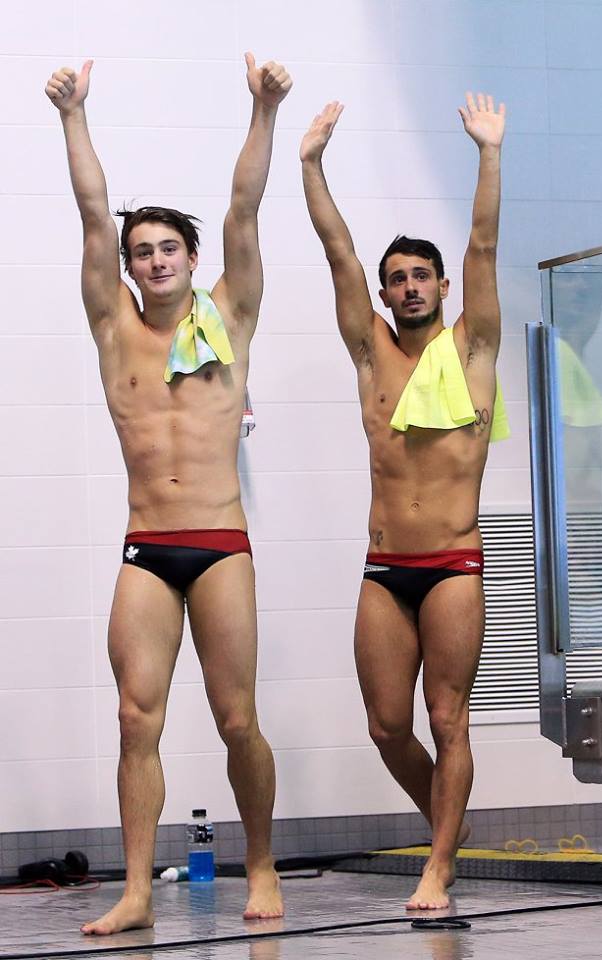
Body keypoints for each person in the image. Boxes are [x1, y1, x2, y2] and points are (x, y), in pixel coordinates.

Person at [45, 53, 292, 934]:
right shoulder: (113, 326)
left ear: (191, 257)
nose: (152, 261)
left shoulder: (231, 313)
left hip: (221, 545)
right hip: (148, 548)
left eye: (166, 248)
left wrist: (263, 110)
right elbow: (87, 211)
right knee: (132, 716)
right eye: (140, 251)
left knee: (236, 719)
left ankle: (260, 864)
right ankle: (140, 890)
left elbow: (246, 209)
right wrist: (74, 116)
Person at [300, 93, 507, 910]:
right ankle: (447, 827)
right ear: (385, 296)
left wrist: (489, 152)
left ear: (443, 285)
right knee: (389, 725)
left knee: (447, 719)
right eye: (397, 279)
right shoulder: (372, 355)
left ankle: (439, 863)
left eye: (422, 274)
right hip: (386, 566)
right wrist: (311, 164)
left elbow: (485, 241)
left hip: (454, 564)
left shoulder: (474, 345)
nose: (408, 285)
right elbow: (336, 252)